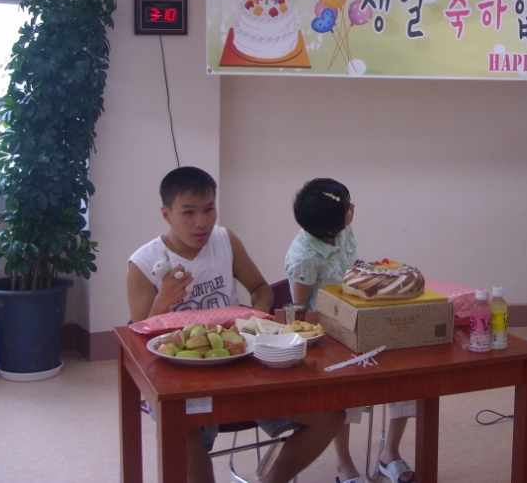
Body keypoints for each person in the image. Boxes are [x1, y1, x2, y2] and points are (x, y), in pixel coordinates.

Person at [127, 166, 345, 483]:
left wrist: (254, 316)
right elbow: (138, 339)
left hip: (242, 366)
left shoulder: (224, 240)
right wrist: (164, 300)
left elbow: (261, 289)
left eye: (209, 209)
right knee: (182, 432)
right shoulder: (143, 263)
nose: (201, 222)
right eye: (188, 212)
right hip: (182, 378)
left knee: (330, 416)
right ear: (166, 214)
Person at [285, 178, 416, 483]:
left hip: (360, 316)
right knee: (347, 385)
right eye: (347, 205)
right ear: (329, 223)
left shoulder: (342, 230)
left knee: (407, 371)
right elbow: (301, 312)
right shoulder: (303, 256)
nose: (353, 207)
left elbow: (353, 268)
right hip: (328, 333)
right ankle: (344, 466)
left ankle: (389, 454)